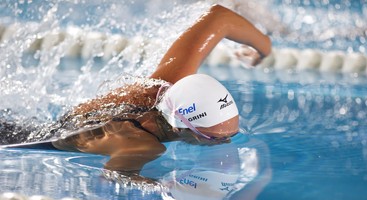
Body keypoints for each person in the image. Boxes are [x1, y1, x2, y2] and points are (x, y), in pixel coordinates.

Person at [5, 4, 272, 179]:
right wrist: (163, 188)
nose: (226, 143)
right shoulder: (144, 145)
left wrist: (265, 47)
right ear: (181, 126)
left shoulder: (165, 87)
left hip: (26, 127)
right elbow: (114, 176)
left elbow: (218, 17)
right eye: (214, 138)